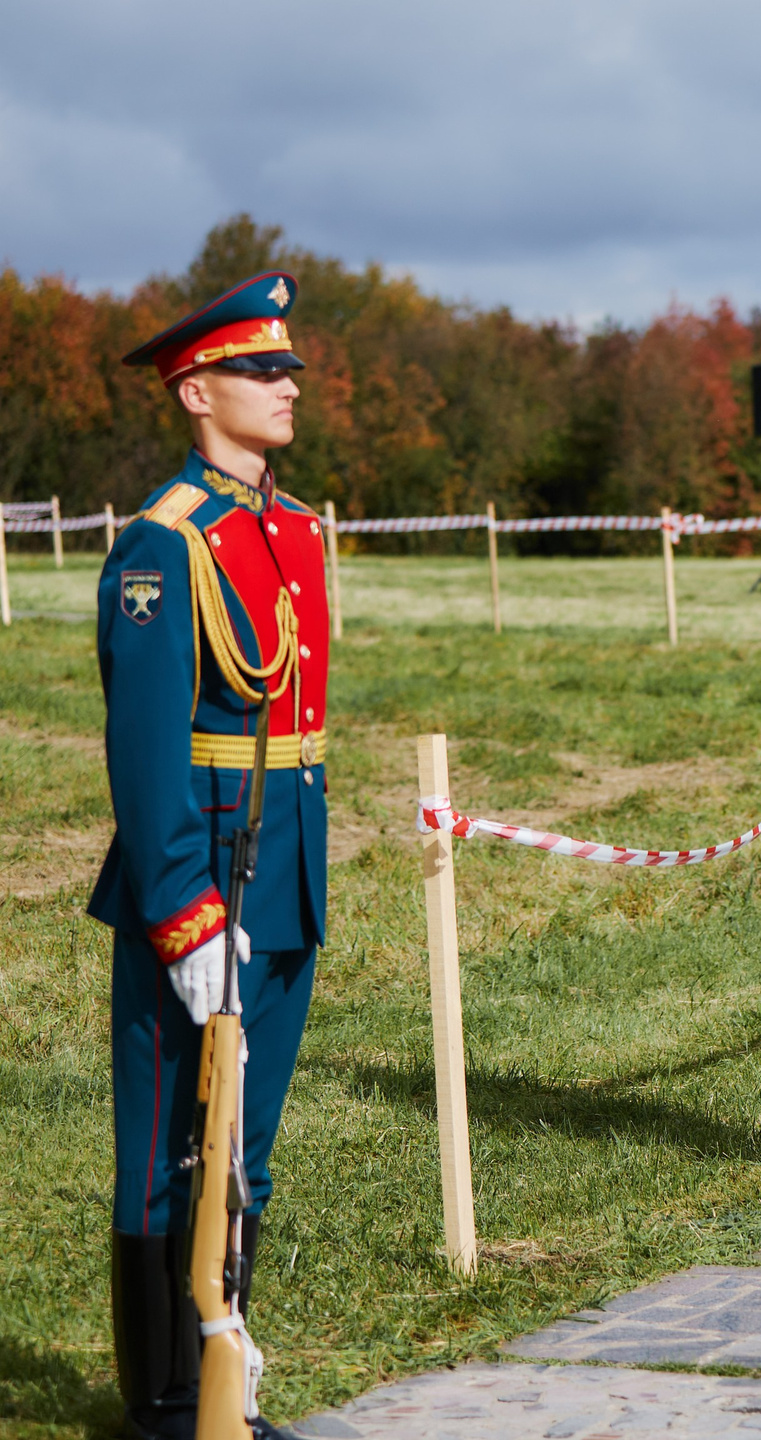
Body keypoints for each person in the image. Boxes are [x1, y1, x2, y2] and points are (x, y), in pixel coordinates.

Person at [96, 272, 328, 1440]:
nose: (288, 385)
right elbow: (144, 758)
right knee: (162, 1152)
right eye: (260, 368)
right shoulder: (161, 545)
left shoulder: (289, 530)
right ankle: (164, 1406)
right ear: (196, 390)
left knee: (246, 1147)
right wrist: (185, 917)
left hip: (282, 878)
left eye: (288, 366)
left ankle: (219, 1387)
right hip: (197, 884)